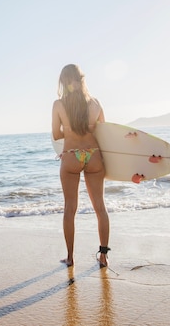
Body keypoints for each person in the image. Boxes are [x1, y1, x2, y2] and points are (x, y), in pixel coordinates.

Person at [52, 64, 110, 268]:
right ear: (81, 79)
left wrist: (67, 131)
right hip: (94, 155)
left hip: (71, 156)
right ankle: (103, 256)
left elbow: (56, 135)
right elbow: (104, 133)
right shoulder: (95, 103)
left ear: (63, 81)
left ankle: (70, 257)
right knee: (100, 208)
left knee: (70, 209)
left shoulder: (59, 105)